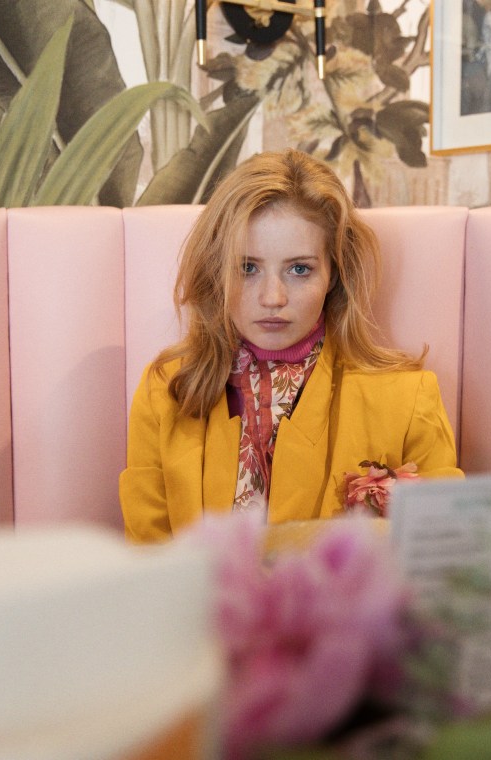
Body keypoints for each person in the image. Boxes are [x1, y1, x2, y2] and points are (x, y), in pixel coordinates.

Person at [119, 149, 463, 543]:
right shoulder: (165, 390)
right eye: (247, 268)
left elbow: (440, 558)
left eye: (299, 269)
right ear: (216, 269)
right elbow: (149, 558)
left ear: (334, 272)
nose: (272, 297)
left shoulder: (408, 397)